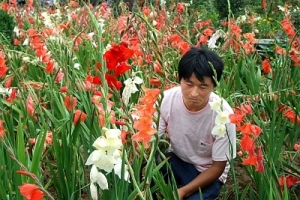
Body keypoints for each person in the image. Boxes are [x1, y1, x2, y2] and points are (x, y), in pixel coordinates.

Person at [157, 47, 236, 200]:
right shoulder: (166, 100)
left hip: (207, 173)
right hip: (178, 160)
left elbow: (217, 167)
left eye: (202, 86)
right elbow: (152, 140)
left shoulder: (223, 115)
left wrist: (182, 192)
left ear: (214, 85)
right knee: (145, 167)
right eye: (189, 84)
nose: (194, 93)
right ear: (179, 79)